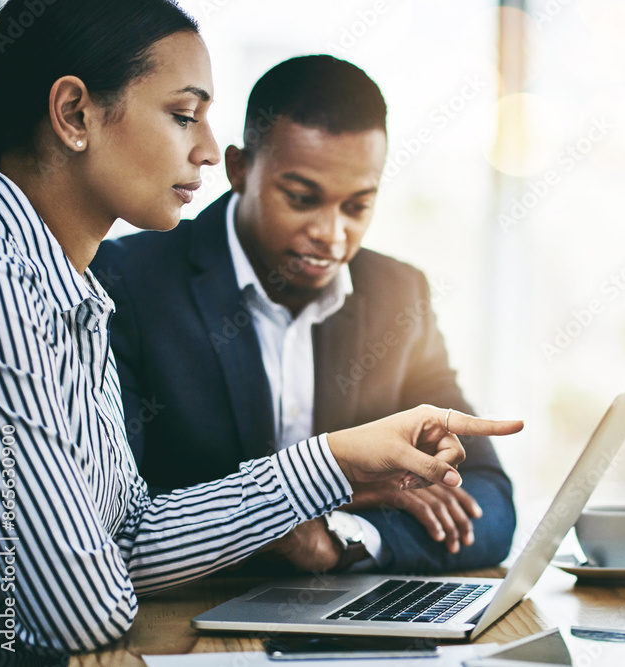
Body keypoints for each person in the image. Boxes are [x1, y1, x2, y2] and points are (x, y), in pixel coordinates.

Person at [0, 0, 521, 662]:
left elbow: (125, 538)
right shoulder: (9, 276)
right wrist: (326, 473)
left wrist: (334, 491)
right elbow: (84, 608)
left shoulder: (72, 288)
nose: (205, 150)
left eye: (358, 205)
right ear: (73, 114)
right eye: (184, 115)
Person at [91, 55, 515, 576]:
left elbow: (490, 508)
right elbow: (109, 520)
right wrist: (334, 492)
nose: (332, 235)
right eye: (301, 198)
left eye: (356, 207)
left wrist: (339, 538)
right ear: (239, 170)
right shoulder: (126, 283)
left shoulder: (398, 295)